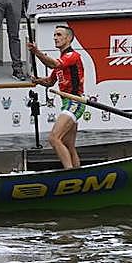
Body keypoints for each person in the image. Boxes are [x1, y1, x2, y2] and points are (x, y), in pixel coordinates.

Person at [29, 25, 86, 169]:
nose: (55, 38)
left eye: (59, 35)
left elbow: (53, 64)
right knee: (68, 144)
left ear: (69, 38)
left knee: (54, 138)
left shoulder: (72, 56)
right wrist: (38, 80)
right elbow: (50, 81)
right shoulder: (62, 61)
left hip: (75, 101)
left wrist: (36, 52)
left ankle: (69, 173)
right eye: (54, 35)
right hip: (68, 102)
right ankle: (77, 173)